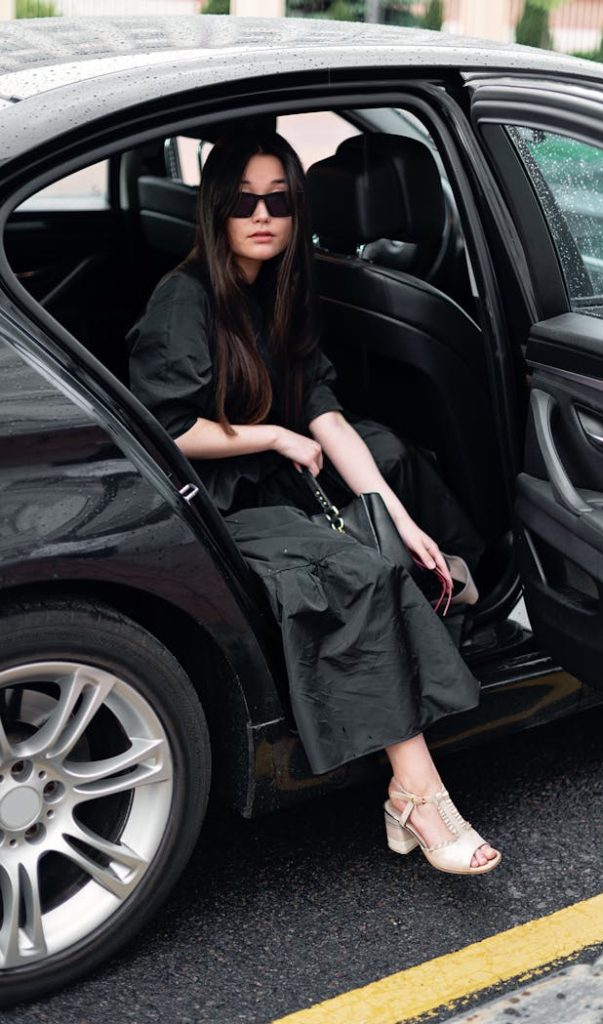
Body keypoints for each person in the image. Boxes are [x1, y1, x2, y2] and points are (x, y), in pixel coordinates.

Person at [127, 131, 501, 875]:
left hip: (270, 476)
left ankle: (465, 596)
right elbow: (166, 427)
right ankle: (418, 797)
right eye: (243, 201)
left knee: (393, 459)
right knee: (355, 573)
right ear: (216, 209)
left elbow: (324, 411)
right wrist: (270, 435)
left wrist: (398, 517)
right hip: (214, 500)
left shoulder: (278, 291)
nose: (262, 215)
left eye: (280, 201)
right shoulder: (186, 297)